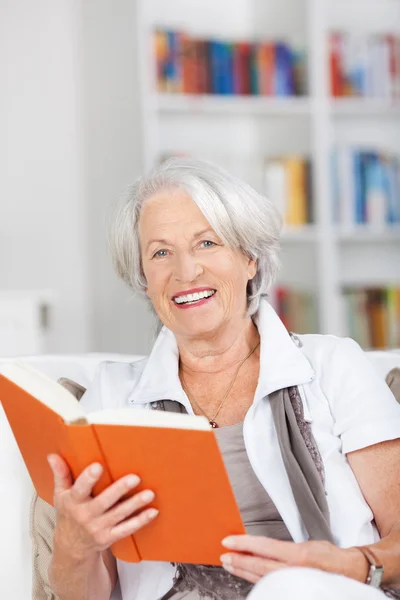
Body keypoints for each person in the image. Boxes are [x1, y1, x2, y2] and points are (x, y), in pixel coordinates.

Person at [46, 157, 400, 600]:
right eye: (160, 253)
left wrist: (344, 564)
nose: (186, 271)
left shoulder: (334, 365)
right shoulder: (112, 397)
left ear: (249, 259)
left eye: (207, 243)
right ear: (143, 278)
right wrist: (75, 544)